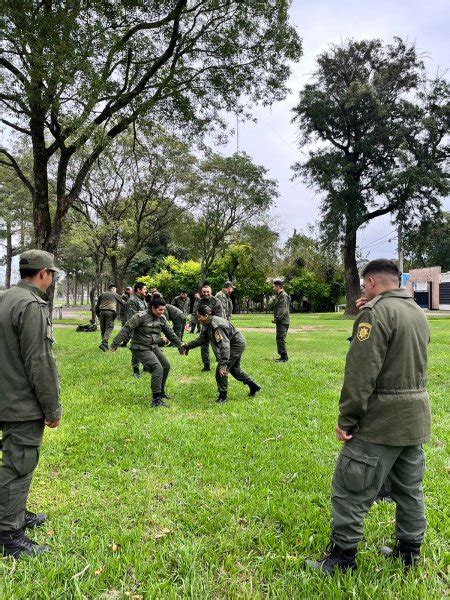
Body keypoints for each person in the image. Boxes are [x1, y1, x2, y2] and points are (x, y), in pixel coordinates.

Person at [306, 259, 431, 575]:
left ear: (373, 282)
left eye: (364, 286)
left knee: (350, 488)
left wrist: (347, 419)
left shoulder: (374, 315)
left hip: (380, 422)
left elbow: (361, 374)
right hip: (414, 420)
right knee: (408, 490)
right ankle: (409, 553)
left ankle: (342, 559)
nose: (363, 292)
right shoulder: (418, 313)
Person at [0, 250, 62, 558]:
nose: (51, 280)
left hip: (3, 393)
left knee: (12, 463)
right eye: (52, 274)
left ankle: (14, 512)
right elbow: (39, 362)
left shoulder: (6, 297)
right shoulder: (32, 305)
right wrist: (52, 408)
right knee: (19, 464)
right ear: (43, 274)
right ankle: (9, 533)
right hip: (20, 402)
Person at [110, 297, 184, 407]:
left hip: (153, 346)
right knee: (157, 368)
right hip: (140, 347)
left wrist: (180, 345)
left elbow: (170, 333)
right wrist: (115, 344)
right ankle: (156, 400)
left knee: (166, 366)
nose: (162, 312)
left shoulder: (162, 318)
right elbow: (127, 329)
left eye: (163, 310)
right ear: (153, 308)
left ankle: (161, 392)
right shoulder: (140, 316)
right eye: (160, 310)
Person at [182, 305, 260, 403]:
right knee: (235, 370)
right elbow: (201, 339)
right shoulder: (207, 322)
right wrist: (188, 346)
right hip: (232, 344)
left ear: (206, 315)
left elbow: (225, 346)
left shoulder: (216, 326)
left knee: (221, 370)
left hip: (236, 345)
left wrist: (223, 364)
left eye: (199, 316)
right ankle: (253, 386)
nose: (198, 319)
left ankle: (223, 397)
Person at [196, 285, 224, 372]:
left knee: (218, 346)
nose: (206, 293)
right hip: (205, 327)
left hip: (215, 327)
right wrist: (190, 323)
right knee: (203, 346)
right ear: (202, 292)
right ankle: (206, 366)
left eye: (208, 291)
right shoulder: (200, 301)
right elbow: (195, 313)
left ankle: (222, 366)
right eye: (204, 292)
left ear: (211, 291)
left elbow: (219, 316)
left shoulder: (216, 301)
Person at [125, 282, 148, 377]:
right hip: (137, 328)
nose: (146, 290)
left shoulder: (142, 299)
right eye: (144, 289)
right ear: (139, 290)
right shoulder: (132, 300)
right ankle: (135, 370)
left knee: (146, 347)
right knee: (136, 349)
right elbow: (132, 317)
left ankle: (146, 366)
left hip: (145, 327)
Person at [95, 284, 127, 351]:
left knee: (103, 328)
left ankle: (104, 344)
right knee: (109, 327)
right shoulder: (115, 294)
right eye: (115, 290)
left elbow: (97, 306)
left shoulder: (102, 294)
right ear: (113, 289)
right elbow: (123, 303)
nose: (116, 291)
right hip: (110, 312)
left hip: (101, 312)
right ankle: (104, 343)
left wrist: (98, 315)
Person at [272, 279, 290, 362]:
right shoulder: (279, 295)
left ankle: (284, 357)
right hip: (281, 321)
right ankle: (282, 356)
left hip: (283, 321)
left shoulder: (283, 295)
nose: (273, 288)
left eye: (274, 287)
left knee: (281, 338)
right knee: (279, 338)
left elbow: (282, 309)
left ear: (278, 287)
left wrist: (277, 318)